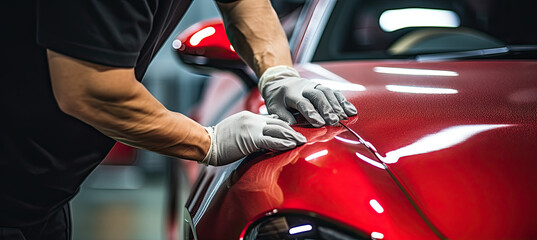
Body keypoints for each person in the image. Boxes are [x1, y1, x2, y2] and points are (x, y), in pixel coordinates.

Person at [1, 0, 357, 239]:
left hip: (44, 191)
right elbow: (92, 89)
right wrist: (209, 141)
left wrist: (278, 72)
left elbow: (244, 4)